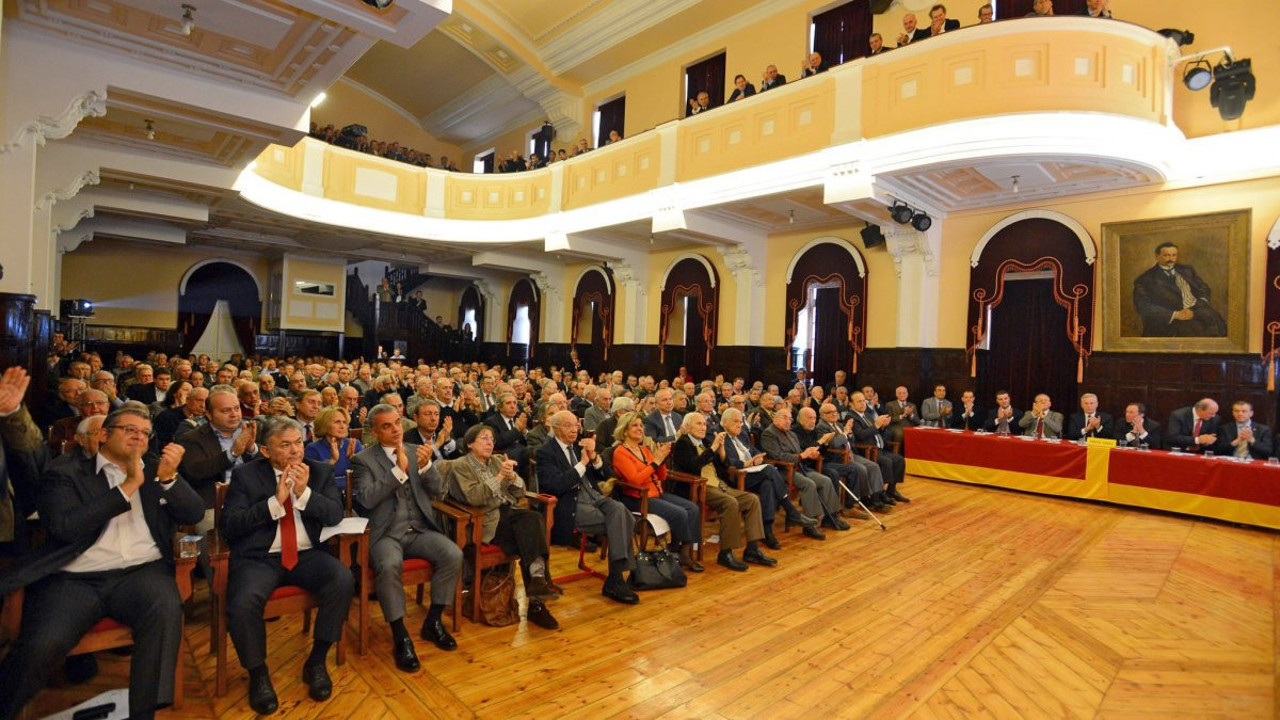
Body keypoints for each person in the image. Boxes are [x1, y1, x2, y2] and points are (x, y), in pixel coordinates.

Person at [0, 405, 203, 720]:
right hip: (76, 579)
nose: (139, 437)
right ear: (104, 436)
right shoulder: (64, 472)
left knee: (165, 610)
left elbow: (194, 514)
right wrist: (127, 488)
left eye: (145, 433)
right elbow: (65, 527)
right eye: (130, 430)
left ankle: (144, 713)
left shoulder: (154, 468)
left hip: (141, 572)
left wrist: (169, 479)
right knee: (41, 644)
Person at [221, 417, 354, 715]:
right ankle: (258, 674)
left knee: (343, 579)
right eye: (285, 445)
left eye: (298, 443)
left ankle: (317, 661)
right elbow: (229, 526)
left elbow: (334, 514)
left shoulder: (318, 471)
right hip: (260, 557)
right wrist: (275, 501)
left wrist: (304, 493)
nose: (295, 451)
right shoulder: (246, 475)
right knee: (242, 602)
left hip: (307, 554)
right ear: (266, 451)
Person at [353, 403, 463, 671]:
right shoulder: (364, 460)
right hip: (386, 534)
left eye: (397, 424)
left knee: (453, 554)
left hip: (419, 529)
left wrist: (426, 468)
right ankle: (400, 634)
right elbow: (365, 500)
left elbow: (439, 491)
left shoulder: (417, 452)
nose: (395, 430)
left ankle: (433, 620)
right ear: (376, 432)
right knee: (389, 565)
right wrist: (397, 472)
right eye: (387, 426)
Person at [442, 424, 560, 629]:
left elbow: (519, 493)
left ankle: (537, 588)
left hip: (509, 515)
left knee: (531, 524)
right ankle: (537, 597)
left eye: (492, 439)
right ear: (470, 443)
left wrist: (513, 477)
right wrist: (500, 477)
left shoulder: (497, 461)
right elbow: (475, 497)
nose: (490, 443)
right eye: (484, 438)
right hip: (486, 521)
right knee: (532, 523)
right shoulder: (460, 466)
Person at [535, 411, 639, 604]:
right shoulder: (545, 452)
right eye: (568, 425)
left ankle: (616, 579)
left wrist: (594, 458)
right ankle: (618, 578)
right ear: (555, 428)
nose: (574, 429)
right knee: (624, 520)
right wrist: (583, 463)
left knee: (621, 512)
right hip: (569, 504)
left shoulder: (579, 447)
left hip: (595, 496)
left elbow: (607, 474)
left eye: (576, 424)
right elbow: (556, 485)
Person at [672, 412, 776, 571]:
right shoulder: (682, 444)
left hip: (718, 484)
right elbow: (693, 466)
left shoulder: (705, 442)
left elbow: (724, 467)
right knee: (730, 503)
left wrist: (721, 452)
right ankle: (726, 553)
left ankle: (752, 549)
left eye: (704, 424)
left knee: (752, 499)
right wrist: (713, 448)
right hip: (699, 486)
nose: (703, 427)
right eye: (698, 424)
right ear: (686, 427)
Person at [611, 411, 704, 572]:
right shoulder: (620, 452)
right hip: (638, 497)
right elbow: (635, 480)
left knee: (692, 508)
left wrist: (661, 461)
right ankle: (682, 554)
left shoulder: (644, 449)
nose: (640, 428)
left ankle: (682, 550)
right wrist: (656, 462)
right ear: (624, 430)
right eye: (635, 425)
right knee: (680, 513)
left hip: (656, 493)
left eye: (641, 425)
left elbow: (662, 476)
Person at [760, 407, 845, 537]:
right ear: (775, 419)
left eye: (790, 418)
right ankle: (811, 525)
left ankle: (831, 517)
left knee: (825, 480)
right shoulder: (769, 434)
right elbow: (777, 456)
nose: (788, 421)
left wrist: (810, 454)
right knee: (808, 484)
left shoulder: (791, 434)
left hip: (799, 467)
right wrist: (801, 456)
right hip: (783, 470)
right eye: (784, 418)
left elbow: (800, 452)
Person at [1132, 242, 1227, 337]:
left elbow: (1204, 288)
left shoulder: (1187, 270)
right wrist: (1176, 314)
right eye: (1166, 255)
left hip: (1200, 311)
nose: (1171, 259)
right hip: (1172, 322)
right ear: (1157, 256)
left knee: (1218, 328)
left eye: (1174, 255)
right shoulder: (1145, 279)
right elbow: (1144, 306)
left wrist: (1201, 302)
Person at [815, 402, 888, 512]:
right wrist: (845, 434)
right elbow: (833, 444)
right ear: (822, 415)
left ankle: (875, 497)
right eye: (830, 412)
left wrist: (849, 434)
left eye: (835, 412)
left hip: (850, 453)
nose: (834, 414)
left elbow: (849, 440)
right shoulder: (821, 427)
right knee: (860, 469)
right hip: (838, 457)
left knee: (873, 466)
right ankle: (861, 500)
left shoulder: (838, 424)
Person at [849, 391, 909, 504]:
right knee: (886, 462)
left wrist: (882, 427)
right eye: (859, 401)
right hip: (867, 451)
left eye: (863, 401)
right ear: (851, 404)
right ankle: (880, 493)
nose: (863, 404)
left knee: (899, 459)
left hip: (879, 449)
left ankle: (891, 490)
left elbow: (878, 432)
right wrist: (876, 425)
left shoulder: (867, 414)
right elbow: (861, 435)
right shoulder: (851, 417)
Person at [305, 406, 363, 492]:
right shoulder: (313, 449)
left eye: (344, 422)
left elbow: (363, 478)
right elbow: (315, 482)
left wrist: (354, 460)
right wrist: (332, 461)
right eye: (337, 422)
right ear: (324, 425)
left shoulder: (354, 444)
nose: (342, 426)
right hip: (327, 497)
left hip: (354, 496)